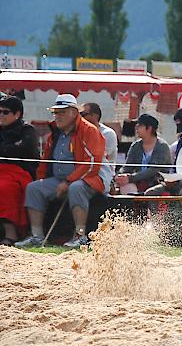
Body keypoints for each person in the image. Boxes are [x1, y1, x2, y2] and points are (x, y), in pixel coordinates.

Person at [15, 94, 106, 248]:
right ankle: (37, 236)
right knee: (34, 188)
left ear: (74, 112)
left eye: (62, 112)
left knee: (76, 188)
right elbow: (45, 161)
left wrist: (69, 181)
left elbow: (92, 163)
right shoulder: (54, 134)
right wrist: (41, 178)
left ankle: (80, 235)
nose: (57, 116)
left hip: (89, 179)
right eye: (55, 112)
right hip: (59, 180)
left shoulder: (89, 130)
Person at [0, 96, 39, 245]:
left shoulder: (27, 130)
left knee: (4, 188)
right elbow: (13, 149)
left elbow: (25, 149)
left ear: (17, 114)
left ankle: (11, 233)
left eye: (5, 112)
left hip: (19, 172)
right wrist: (10, 148)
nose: (1, 115)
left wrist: (7, 149)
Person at [145, 108, 182, 197]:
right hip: (179, 180)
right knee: (150, 193)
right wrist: (169, 178)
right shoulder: (178, 144)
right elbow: (170, 164)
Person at [115, 114, 171, 194]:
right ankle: (131, 207)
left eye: (140, 126)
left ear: (149, 128)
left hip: (158, 183)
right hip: (138, 182)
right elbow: (127, 167)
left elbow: (153, 170)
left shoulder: (162, 146)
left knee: (150, 193)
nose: (136, 128)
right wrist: (121, 175)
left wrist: (130, 178)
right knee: (125, 187)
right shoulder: (135, 146)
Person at [81, 102, 117, 194]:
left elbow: (99, 158)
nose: (80, 118)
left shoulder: (108, 133)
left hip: (104, 176)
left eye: (83, 114)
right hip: (85, 173)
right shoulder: (80, 133)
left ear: (95, 116)